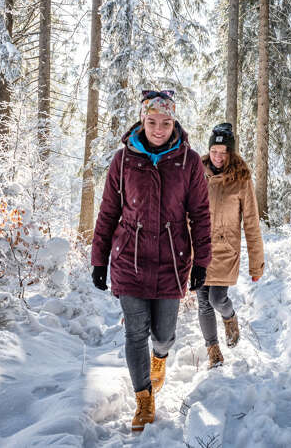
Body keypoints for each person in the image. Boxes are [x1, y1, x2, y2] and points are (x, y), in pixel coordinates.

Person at [90, 90, 211, 433]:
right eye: (153, 121)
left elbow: (201, 215)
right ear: (142, 121)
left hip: (173, 261)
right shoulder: (123, 160)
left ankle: (160, 358)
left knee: (164, 334)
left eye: (166, 122)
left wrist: (202, 261)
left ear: (175, 123)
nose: (159, 128)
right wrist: (99, 259)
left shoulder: (188, 161)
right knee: (135, 333)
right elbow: (108, 212)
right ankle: (144, 398)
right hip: (129, 258)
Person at [198, 122, 264, 368]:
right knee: (203, 301)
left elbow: (251, 223)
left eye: (223, 152)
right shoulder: (197, 172)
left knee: (217, 299)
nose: (217, 156)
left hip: (225, 250)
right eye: (214, 151)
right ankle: (213, 350)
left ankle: (230, 317)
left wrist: (256, 265)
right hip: (199, 248)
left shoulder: (241, 179)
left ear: (230, 153)